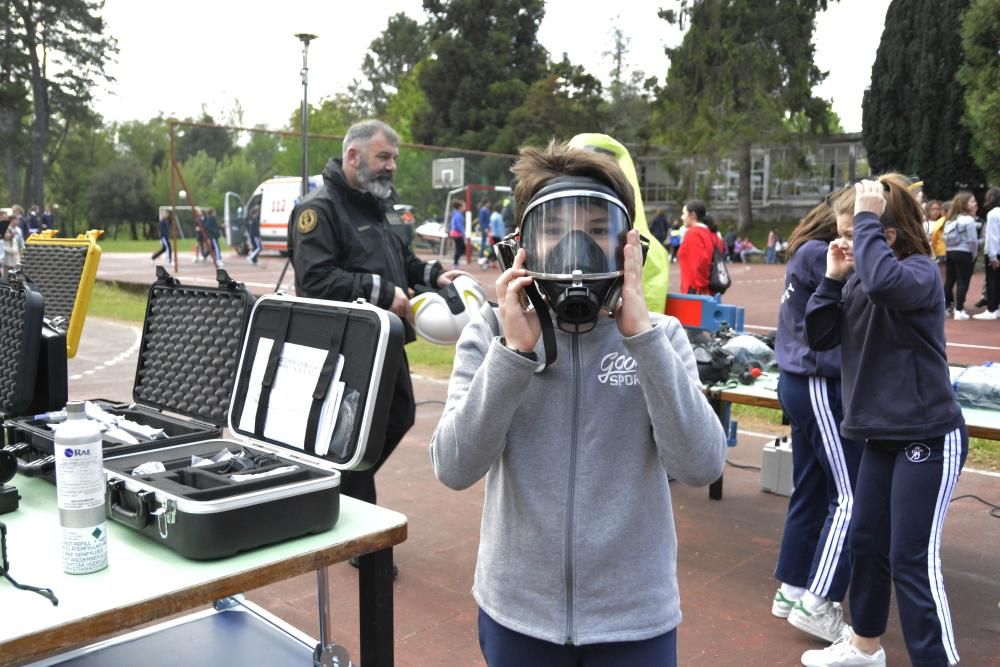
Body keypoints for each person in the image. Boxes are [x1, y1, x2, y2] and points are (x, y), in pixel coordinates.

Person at [430, 141, 727, 665]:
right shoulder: (492, 333)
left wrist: (642, 341)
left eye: (596, 230)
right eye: (555, 230)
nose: (577, 246)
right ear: (521, 246)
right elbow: (454, 467)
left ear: (626, 245)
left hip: (634, 618)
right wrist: (513, 355)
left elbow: (701, 464)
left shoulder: (662, 336)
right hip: (518, 612)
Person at [801, 175, 967, 667]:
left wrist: (868, 222)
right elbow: (821, 335)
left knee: (911, 559)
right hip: (880, 436)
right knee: (867, 545)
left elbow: (883, 283)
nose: (840, 241)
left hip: (928, 435)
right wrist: (831, 278)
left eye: (851, 233)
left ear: (884, 236)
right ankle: (865, 648)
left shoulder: (918, 273)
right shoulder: (856, 277)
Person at [288, 118, 469, 518]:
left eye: (394, 159)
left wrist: (434, 275)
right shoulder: (318, 210)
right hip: (346, 345)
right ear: (353, 155)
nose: (391, 166)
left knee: (397, 416)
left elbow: (400, 259)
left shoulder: (378, 203)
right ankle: (357, 521)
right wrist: (385, 293)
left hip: (385, 339)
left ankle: (338, 490)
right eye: (383, 156)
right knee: (359, 430)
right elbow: (316, 280)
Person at [772, 202, 864, 646]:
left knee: (812, 489)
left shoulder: (805, 249)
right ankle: (818, 600)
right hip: (817, 382)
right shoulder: (820, 253)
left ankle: (791, 589)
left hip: (799, 381)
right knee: (851, 495)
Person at [942, 191, 979, 320]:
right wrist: (974, 254)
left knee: (950, 281)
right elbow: (973, 241)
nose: (975, 203)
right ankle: (959, 310)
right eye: (972, 201)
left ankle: (945, 308)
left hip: (950, 252)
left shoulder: (951, 219)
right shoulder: (969, 220)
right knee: (963, 281)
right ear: (964, 204)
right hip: (964, 252)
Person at [677, 199, 724, 295]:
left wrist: (701, 287)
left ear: (693, 215)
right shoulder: (713, 234)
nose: (682, 217)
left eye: (684, 214)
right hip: (711, 290)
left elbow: (699, 262)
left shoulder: (693, 233)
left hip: (695, 290)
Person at [972, 187, 1000, 320]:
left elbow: (992, 236)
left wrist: (992, 255)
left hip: (996, 251)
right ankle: (997, 308)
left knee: (992, 280)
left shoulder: (993, 214)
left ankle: (991, 309)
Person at [449, 199, 466, 268]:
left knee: (460, 249)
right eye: (464, 206)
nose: (465, 207)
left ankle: (455, 263)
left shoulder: (455, 214)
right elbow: (459, 226)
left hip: (455, 233)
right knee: (460, 249)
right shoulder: (458, 215)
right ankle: (455, 263)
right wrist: (463, 233)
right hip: (457, 234)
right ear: (460, 207)